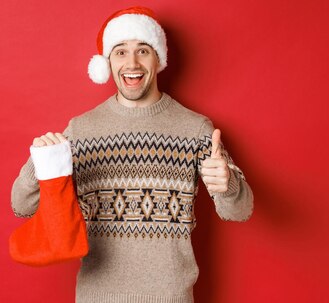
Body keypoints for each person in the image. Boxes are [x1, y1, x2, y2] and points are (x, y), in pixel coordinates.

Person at [10, 6, 254, 302]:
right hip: (97, 296)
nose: (132, 62)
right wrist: (39, 163)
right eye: (121, 52)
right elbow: (21, 206)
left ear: (158, 59)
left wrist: (227, 184)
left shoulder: (195, 128)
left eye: (143, 50)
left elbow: (239, 211)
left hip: (170, 297)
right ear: (108, 62)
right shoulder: (81, 130)